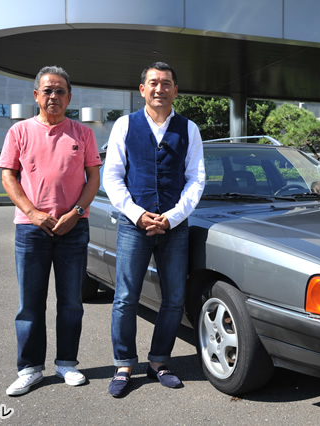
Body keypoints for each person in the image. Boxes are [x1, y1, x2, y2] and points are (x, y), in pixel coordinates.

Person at [103, 62, 205, 397]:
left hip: (174, 227)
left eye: (166, 83)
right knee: (125, 297)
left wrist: (173, 217)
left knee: (174, 298)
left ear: (175, 90)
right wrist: (136, 213)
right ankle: (123, 364)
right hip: (134, 225)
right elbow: (112, 176)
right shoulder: (124, 125)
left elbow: (196, 178)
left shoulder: (189, 129)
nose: (159, 88)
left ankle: (159, 361)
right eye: (153, 83)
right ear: (142, 89)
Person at [0, 65, 102, 396]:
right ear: (36, 96)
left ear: (69, 97)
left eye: (60, 91)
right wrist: (32, 213)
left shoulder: (82, 133)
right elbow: (8, 176)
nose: (53, 96)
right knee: (30, 303)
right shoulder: (19, 132)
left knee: (71, 301)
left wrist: (76, 213)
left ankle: (67, 363)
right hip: (31, 229)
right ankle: (30, 368)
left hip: (73, 228)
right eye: (48, 90)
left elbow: (93, 178)